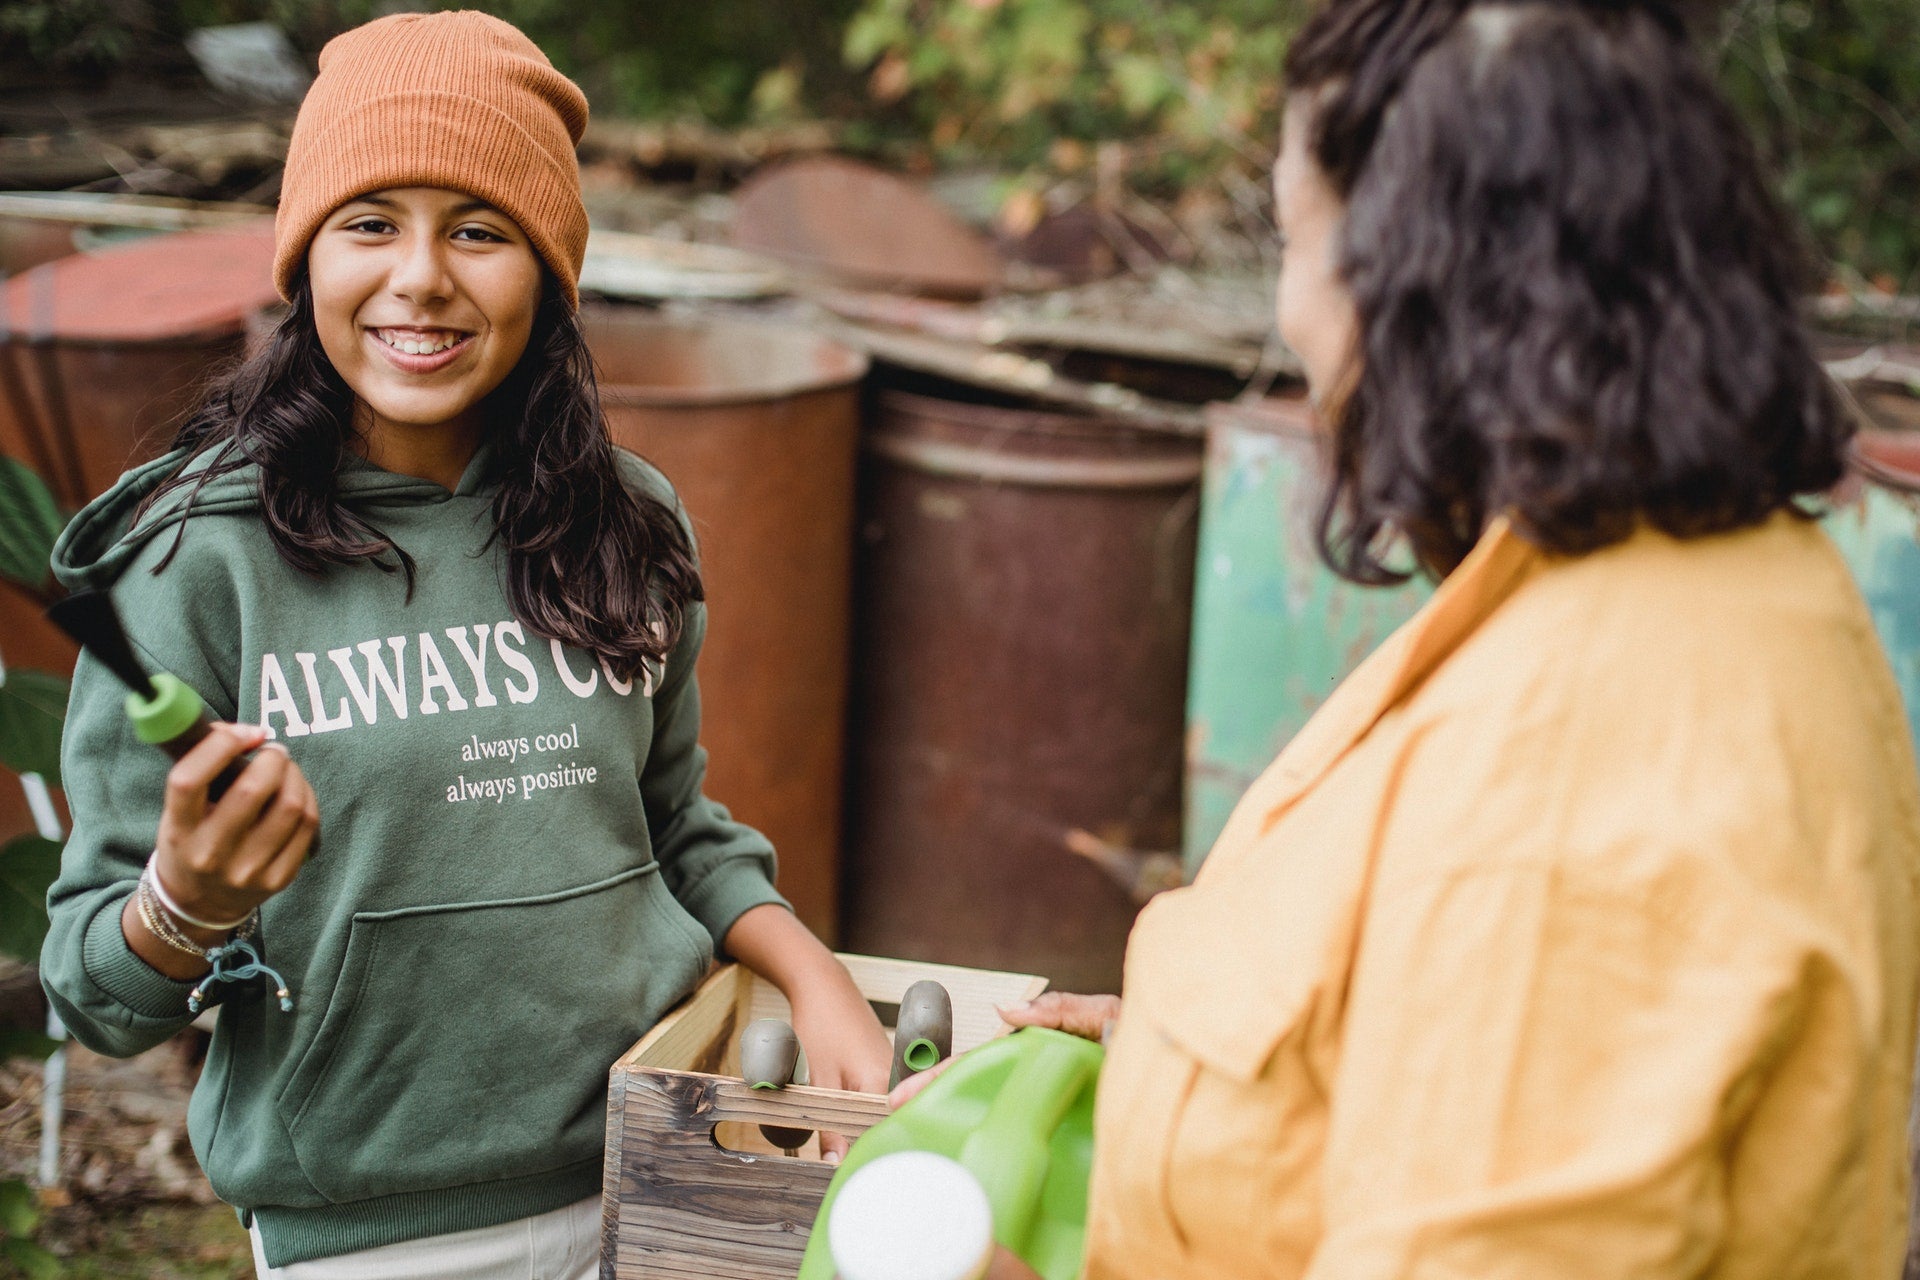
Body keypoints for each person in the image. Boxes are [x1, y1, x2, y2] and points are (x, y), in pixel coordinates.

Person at [898, 1, 1920, 1275]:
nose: (1290, 315)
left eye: (1294, 240)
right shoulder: (1683, 584)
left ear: (1414, 285)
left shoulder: (1577, 789)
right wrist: (1184, 1071)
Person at [39, 12, 890, 1278]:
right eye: (370, 222)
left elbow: (671, 829)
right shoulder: (194, 561)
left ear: (547, 269)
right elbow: (91, 990)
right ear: (304, 256)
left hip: (649, 1176)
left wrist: (813, 974)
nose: (422, 278)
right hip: (367, 1240)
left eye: (479, 230)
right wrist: (186, 903)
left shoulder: (626, 521)